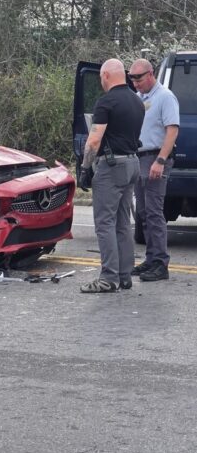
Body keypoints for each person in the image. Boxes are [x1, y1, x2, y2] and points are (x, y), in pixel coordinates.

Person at [78, 58, 144, 293]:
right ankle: (124, 275)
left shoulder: (106, 102)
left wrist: (85, 169)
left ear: (106, 75)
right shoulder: (137, 101)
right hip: (133, 163)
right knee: (123, 222)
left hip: (112, 166)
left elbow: (94, 139)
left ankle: (108, 277)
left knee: (104, 222)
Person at [129, 58, 180, 282]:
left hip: (156, 157)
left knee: (154, 211)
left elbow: (172, 130)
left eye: (138, 78)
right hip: (140, 158)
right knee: (143, 213)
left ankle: (160, 263)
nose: (135, 83)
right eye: (131, 79)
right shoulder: (140, 99)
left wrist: (160, 160)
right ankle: (151, 259)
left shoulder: (165, 97)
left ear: (151, 74)